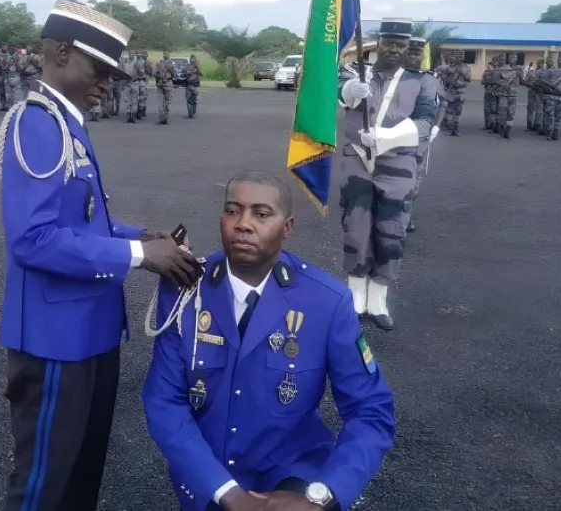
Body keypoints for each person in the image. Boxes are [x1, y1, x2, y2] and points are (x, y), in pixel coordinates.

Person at [0, 0, 202, 511]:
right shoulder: (38, 123)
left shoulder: (67, 124)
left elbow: (81, 220)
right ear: (62, 54)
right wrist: (138, 254)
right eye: (101, 69)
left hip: (85, 335)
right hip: (54, 343)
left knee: (79, 480)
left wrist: (144, 235)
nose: (110, 82)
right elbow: (32, 240)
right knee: (43, 485)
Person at [143, 170, 395, 511]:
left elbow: (370, 409)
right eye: (233, 211)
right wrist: (226, 491)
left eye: (261, 214)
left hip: (294, 479)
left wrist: (323, 495)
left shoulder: (325, 302)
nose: (243, 224)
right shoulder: (186, 290)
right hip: (209, 481)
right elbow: (164, 401)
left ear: (286, 227)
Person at [338, 18, 437, 330]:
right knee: (356, 227)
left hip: (398, 164)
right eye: (388, 42)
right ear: (377, 43)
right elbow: (338, 93)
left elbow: (426, 122)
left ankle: (378, 296)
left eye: (400, 44)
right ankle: (355, 293)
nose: (394, 49)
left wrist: (386, 137)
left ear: (408, 48)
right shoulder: (356, 72)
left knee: (392, 230)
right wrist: (351, 90)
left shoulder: (421, 80)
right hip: (358, 161)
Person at [403, 37, 442, 233]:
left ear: (422, 56)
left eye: (416, 53)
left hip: (419, 139)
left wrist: (437, 127)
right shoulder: (391, 77)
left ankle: (405, 217)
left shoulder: (431, 78)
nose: (412, 56)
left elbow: (443, 102)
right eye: (409, 52)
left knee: (412, 181)